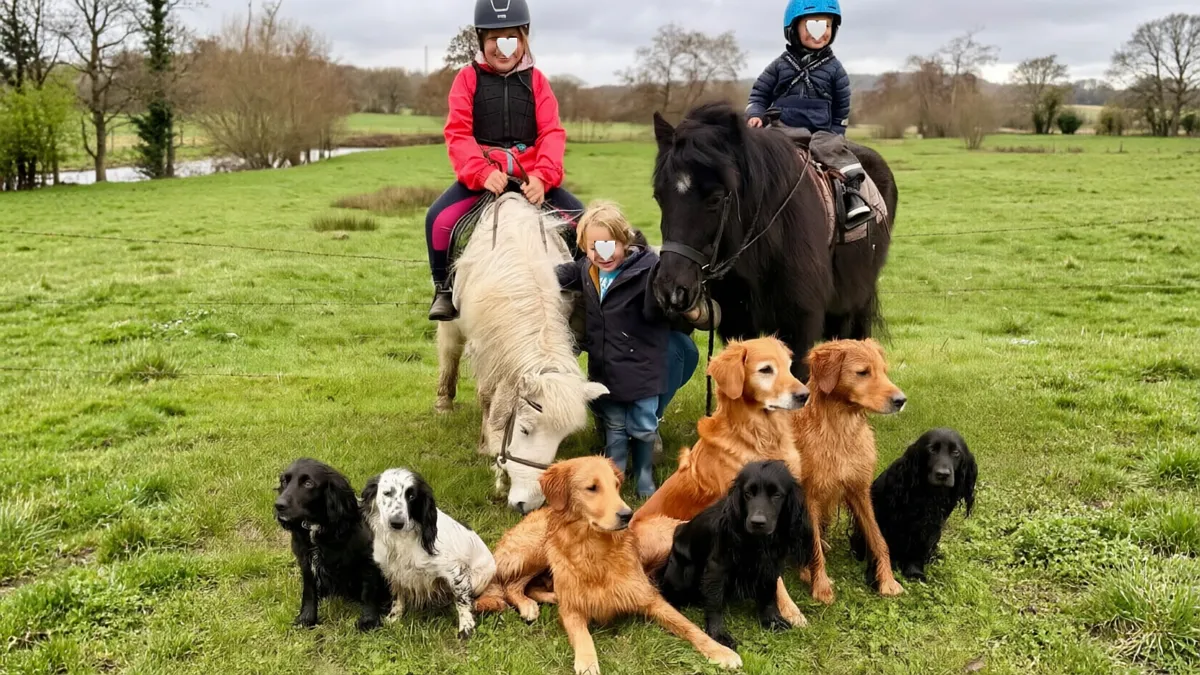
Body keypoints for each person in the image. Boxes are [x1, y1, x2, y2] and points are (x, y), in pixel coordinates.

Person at [425, 0, 584, 321]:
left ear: (523, 38)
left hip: (532, 179)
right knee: (437, 220)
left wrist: (542, 177)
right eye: (494, 39)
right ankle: (443, 289)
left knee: (585, 225)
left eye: (511, 38)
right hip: (484, 177)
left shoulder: (537, 81)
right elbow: (458, 132)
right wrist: (480, 172)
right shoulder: (467, 80)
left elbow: (552, 132)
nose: (503, 48)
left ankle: (585, 293)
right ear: (481, 40)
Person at [556, 201, 715, 498]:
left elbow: (676, 298)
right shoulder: (585, 270)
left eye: (609, 245)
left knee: (643, 426)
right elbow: (554, 275)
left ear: (625, 241)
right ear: (584, 248)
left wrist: (685, 302)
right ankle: (613, 477)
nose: (602, 254)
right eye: (593, 247)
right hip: (606, 372)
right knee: (615, 428)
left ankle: (643, 473)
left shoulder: (648, 272)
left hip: (643, 370)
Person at [745, 0, 872, 229]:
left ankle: (851, 199)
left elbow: (842, 107)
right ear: (793, 29)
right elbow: (759, 95)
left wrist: (836, 133)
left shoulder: (836, 70)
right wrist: (755, 115)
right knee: (757, 154)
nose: (820, 33)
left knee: (834, 152)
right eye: (812, 26)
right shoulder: (779, 66)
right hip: (782, 127)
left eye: (826, 26)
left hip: (820, 132)